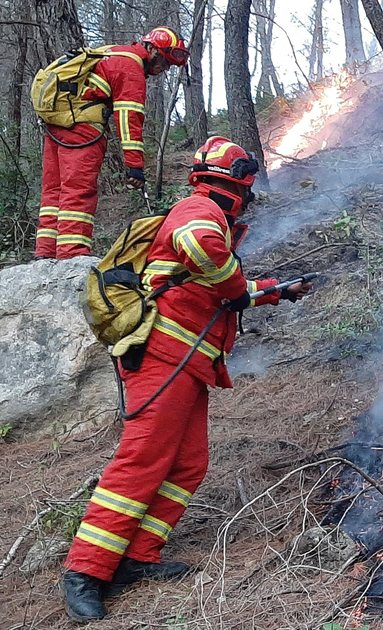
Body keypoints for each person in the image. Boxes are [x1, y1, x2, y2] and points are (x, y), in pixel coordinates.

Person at [61, 137, 314, 622]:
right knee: (142, 459)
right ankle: (86, 571)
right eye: (246, 190)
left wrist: (278, 292)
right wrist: (239, 286)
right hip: (161, 355)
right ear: (233, 186)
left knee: (188, 464)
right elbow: (207, 256)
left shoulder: (205, 219)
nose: (247, 201)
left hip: (188, 361)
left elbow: (219, 292)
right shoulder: (198, 210)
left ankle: (136, 557)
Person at [36, 26, 189, 260]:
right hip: (83, 126)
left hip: (58, 122)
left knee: (54, 191)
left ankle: (45, 253)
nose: (163, 69)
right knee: (78, 190)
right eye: (164, 61)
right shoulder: (131, 67)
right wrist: (135, 167)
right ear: (151, 49)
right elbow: (129, 118)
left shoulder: (113, 53)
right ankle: (72, 255)